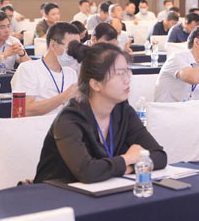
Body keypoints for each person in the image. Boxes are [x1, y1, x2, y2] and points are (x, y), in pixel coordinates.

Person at [34, 41, 167, 183]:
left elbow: (159, 156)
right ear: (95, 84)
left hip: (103, 188)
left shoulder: (124, 111)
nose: (127, 79)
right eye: (120, 74)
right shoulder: (69, 119)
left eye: (127, 72)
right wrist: (127, 159)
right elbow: (87, 172)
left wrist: (126, 168)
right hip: (56, 193)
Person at [11, 22, 80, 116]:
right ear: (53, 45)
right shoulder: (28, 69)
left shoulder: (70, 72)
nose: (75, 52)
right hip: (38, 125)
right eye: (71, 47)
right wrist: (64, 97)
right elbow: (24, 110)